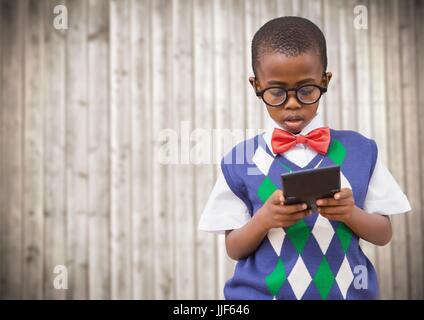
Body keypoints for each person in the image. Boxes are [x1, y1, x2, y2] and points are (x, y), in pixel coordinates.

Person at [198, 16, 411, 300]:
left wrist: (350, 213)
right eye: (277, 92)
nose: (293, 103)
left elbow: (383, 234)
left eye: (306, 89)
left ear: (325, 80)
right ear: (256, 85)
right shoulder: (238, 160)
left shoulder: (361, 151)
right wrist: (264, 219)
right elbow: (234, 248)